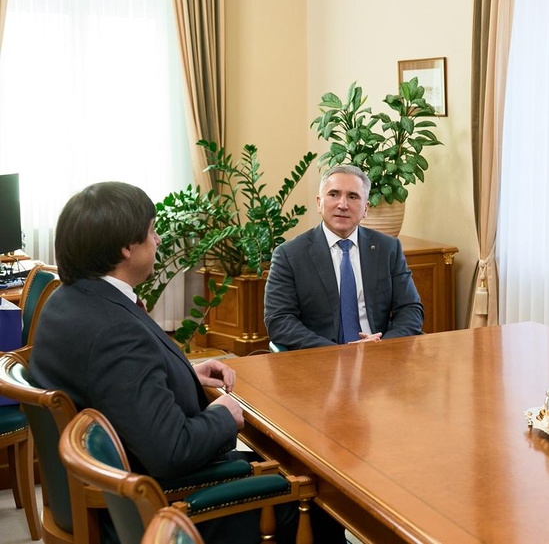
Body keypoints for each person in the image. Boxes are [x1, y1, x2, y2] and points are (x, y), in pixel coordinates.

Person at [28, 182, 296, 543]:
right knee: (309, 498)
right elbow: (172, 451)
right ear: (126, 248)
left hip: (113, 490)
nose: (157, 240)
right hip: (154, 512)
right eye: (152, 231)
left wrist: (184, 373)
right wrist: (224, 414)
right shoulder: (113, 331)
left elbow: (119, 387)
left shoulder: (67, 301)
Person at [264, 164, 424, 350]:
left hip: (379, 353)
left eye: (353, 196)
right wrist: (338, 352)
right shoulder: (289, 255)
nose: (342, 205)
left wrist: (381, 346)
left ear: (365, 208)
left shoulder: (388, 248)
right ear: (319, 203)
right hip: (321, 357)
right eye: (334, 194)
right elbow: (279, 320)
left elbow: (410, 308)